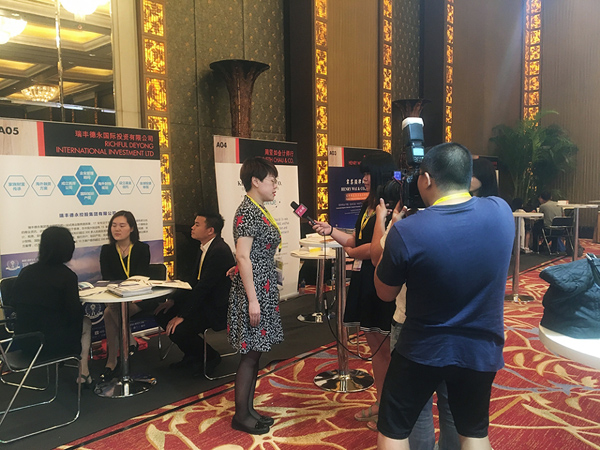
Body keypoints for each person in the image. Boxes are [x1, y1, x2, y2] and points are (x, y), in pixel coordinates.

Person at [373, 143, 514, 450]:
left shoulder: (408, 231)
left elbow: (384, 292)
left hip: (421, 349)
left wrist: (392, 233)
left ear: (425, 179)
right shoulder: (502, 212)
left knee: (394, 430)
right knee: (474, 433)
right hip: (480, 350)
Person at [312, 151, 397, 432]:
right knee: (375, 349)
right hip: (363, 280)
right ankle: (381, 402)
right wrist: (331, 230)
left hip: (381, 281)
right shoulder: (369, 205)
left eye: (368, 173)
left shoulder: (392, 206)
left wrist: (353, 251)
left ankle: (390, 410)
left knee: (386, 350)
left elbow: (376, 250)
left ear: (381, 174)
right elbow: (353, 241)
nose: (364, 179)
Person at [371, 200, 459, 450]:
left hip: (411, 326)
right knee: (453, 408)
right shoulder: (478, 218)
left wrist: (392, 226)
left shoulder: (406, 227)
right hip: (460, 327)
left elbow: (383, 286)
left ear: (426, 183)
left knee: (414, 410)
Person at [228, 157, 284, 435]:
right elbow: (243, 256)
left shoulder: (256, 208)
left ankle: (248, 410)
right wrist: (252, 299)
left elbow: (249, 253)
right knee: (250, 354)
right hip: (255, 290)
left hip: (262, 286)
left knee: (256, 351)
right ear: (255, 181)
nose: (275, 186)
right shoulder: (248, 211)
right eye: (272, 180)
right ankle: (241, 415)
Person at [154, 212, 235, 377]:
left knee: (179, 328)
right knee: (162, 314)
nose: (192, 227)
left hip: (217, 308)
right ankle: (193, 355)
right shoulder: (205, 247)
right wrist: (173, 300)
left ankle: (210, 357)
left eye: (197, 224)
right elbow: (192, 281)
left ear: (210, 230)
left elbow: (203, 287)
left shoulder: (219, 251)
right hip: (204, 302)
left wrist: (182, 315)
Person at [13, 226, 93, 386]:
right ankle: (83, 372)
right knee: (86, 322)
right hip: (53, 345)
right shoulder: (67, 276)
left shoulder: (25, 272)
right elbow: (74, 314)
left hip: (24, 341)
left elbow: (14, 302)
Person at [99, 210, 150, 381]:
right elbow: (107, 278)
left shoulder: (142, 249)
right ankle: (129, 342)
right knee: (110, 311)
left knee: (109, 312)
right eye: (114, 225)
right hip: (117, 298)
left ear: (132, 228)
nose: (117, 229)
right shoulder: (107, 250)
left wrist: (132, 292)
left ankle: (112, 362)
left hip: (138, 298)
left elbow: (142, 276)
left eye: (122, 225)